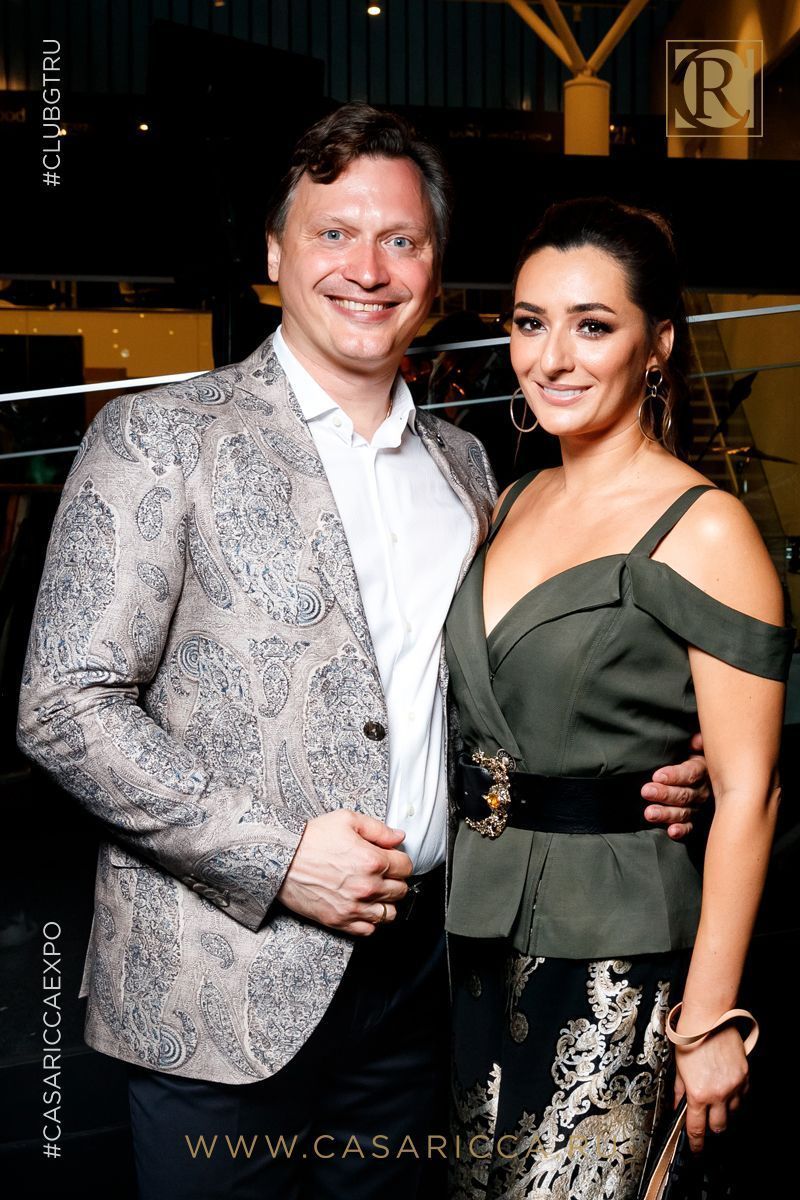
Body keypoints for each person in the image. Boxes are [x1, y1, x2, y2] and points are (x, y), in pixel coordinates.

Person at [18, 107, 706, 1200]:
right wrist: (278, 856)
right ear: (275, 254)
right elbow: (64, 705)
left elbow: (491, 694)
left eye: (400, 240)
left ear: (433, 269)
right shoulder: (159, 437)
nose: (367, 269)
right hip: (218, 989)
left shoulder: (467, 467)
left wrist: (648, 769)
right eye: (333, 233)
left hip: (425, 982)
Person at [444, 197, 794, 1200]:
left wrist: (709, 1018)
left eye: (591, 325)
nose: (551, 357)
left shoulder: (705, 528)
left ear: (658, 345)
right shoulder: (511, 499)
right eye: (529, 322)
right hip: (474, 936)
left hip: (615, 955)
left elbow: (749, 791)